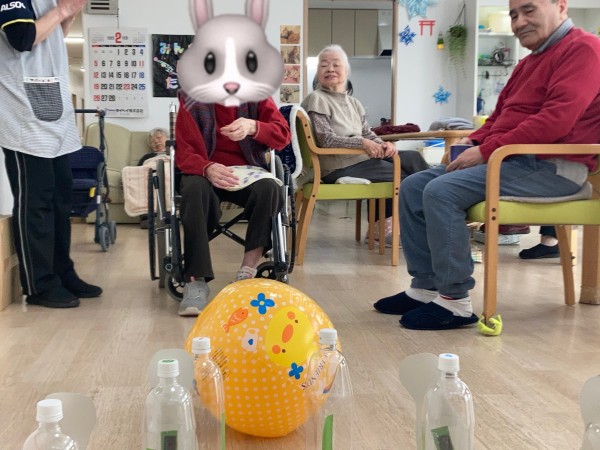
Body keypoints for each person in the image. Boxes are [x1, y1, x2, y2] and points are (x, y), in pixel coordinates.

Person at [374, 0, 600, 330]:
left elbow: (556, 119)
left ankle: (455, 302)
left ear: (561, 6)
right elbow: (499, 118)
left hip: (552, 168)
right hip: (513, 160)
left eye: (529, 10)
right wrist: (475, 141)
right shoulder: (527, 64)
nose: (519, 22)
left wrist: (486, 150)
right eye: (513, 15)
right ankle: (425, 288)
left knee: (440, 191)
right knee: (413, 186)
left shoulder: (584, 49)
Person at [1, 0, 102, 309]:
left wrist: (69, 13)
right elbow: (22, 37)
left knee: (60, 201)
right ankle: (39, 284)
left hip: (52, 111)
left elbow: (55, 35)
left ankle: (63, 273)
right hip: (23, 115)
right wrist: (62, 10)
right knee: (37, 204)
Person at [175, 91, 291, 316]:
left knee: (271, 189)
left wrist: (254, 126)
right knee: (194, 189)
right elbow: (185, 149)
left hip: (248, 171)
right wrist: (206, 167)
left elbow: (283, 135)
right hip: (204, 170)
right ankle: (195, 281)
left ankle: (247, 272)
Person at [301, 44, 430, 245]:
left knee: (412, 158)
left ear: (347, 70)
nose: (330, 69)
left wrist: (382, 144)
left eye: (336, 64)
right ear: (318, 72)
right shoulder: (316, 99)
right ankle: (389, 227)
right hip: (337, 166)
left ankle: (391, 224)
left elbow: (367, 132)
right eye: (324, 65)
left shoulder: (354, 103)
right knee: (407, 178)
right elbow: (325, 140)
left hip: (359, 161)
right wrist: (362, 143)